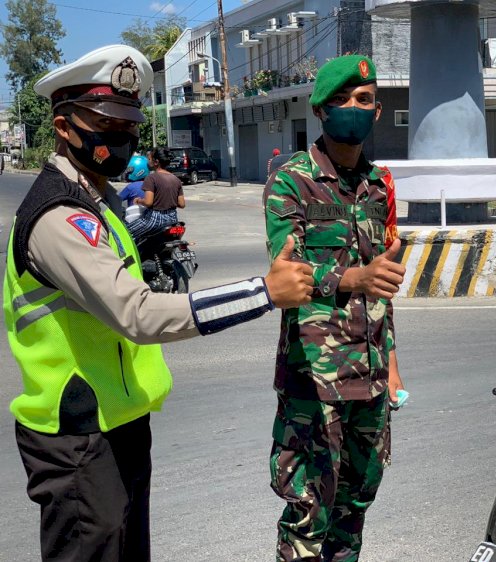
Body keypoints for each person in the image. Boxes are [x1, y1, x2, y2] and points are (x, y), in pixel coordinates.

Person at [3, 44, 313, 562]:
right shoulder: (59, 214)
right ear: (63, 127)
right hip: (77, 437)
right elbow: (139, 313)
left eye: (129, 123)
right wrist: (263, 292)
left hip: (117, 424)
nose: (122, 136)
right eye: (106, 122)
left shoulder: (95, 200)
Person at [263, 54, 406, 562]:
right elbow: (289, 276)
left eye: (363, 100)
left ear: (377, 110)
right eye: (342, 100)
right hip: (314, 381)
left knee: (354, 510)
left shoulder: (380, 186)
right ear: (321, 110)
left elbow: (382, 286)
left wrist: (391, 365)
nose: (353, 108)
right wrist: (353, 278)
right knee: (309, 514)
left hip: (368, 380)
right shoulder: (291, 181)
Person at [126, 147, 183, 240]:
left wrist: (139, 201)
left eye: (149, 159)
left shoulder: (151, 178)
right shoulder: (176, 179)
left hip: (155, 219)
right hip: (173, 219)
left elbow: (148, 202)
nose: (147, 161)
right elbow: (182, 204)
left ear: (156, 162)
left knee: (125, 234)